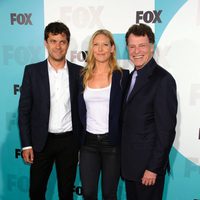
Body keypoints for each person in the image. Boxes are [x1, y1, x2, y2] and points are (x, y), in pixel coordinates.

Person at [18, 21, 82, 200]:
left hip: (69, 142)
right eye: (53, 41)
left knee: (66, 192)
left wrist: (81, 145)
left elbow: (83, 111)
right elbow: (24, 111)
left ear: (67, 44)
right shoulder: (32, 71)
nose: (58, 46)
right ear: (46, 43)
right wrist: (27, 144)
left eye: (62, 41)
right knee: (36, 191)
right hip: (41, 143)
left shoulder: (79, 72)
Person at [121, 23, 178, 200]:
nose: (137, 51)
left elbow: (166, 131)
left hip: (148, 171)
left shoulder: (163, 80)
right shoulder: (130, 77)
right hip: (130, 167)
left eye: (142, 45)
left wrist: (153, 168)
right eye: (132, 46)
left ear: (152, 47)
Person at [78, 29, 129, 200]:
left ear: (112, 48)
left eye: (105, 45)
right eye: (96, 45)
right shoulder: (82, 76)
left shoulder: (122, 76)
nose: (100, 49)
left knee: (109, 194)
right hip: (88, 144)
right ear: (92, 48)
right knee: (88, 193)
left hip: (112, 143)